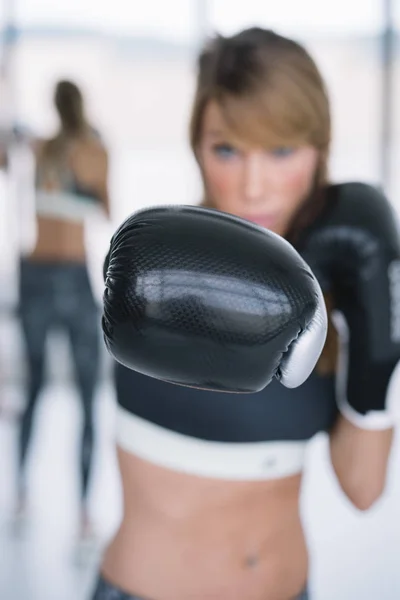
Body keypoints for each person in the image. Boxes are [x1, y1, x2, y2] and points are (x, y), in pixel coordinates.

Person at [94, 28, 398, 600]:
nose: (253, 185)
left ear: (319, 151)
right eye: (227, 149)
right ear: (197, 148)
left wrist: (378, 342)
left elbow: (363, 489)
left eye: (281, 151)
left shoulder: (329, 287)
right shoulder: (158, 273)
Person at [16, 80, 110, 541]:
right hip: (67, 275)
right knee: (87, 398)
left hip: (38, 274)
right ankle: (83, 516)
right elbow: (106, 209)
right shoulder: (86, 148)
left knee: (36, 390)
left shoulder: (43, 147)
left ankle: (20, 495)